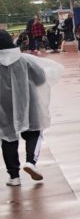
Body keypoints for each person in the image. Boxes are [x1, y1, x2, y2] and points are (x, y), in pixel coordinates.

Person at [0, 30, 61, 187]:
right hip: (29, 101)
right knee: (34, 132)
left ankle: (14, 176)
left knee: (8, 138)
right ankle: (31, 162)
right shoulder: (24, 59)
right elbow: (40, 78)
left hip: (3, 106)